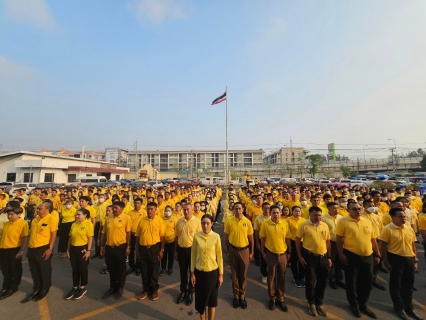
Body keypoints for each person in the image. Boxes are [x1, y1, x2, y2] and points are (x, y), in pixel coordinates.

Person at [336, 202, 381, 318]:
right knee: (352, 282)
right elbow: (339, 239)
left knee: (366, 281)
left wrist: (377, 254)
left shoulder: (367, 221)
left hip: (368, 256)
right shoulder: (343, 221)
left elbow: (373, 239)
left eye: (359, 209)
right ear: (348, 210)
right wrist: (340, 254)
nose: (358, 211)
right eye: (354, 209)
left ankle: (363, 304)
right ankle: (354, 304)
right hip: (351, 255)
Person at [379, 208, 422, 320]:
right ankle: (399, 307)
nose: (404, 218)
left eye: (404, 216)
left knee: (408, 285)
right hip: (395, 258)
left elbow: (413, 246)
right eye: (400, 216)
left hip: (409, 258)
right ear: (392, 217)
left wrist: (415, 260)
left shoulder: (409, 228)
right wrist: (386, 261)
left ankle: (409, 308)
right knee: (396, 284)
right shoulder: (387, 229)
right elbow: (383, 247)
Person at [295, 206, 332, 317]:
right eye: (316, 215)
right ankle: (311, 303)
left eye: (320, 215)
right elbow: (297, 240)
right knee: (310, 281)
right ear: (310, 214)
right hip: (309, 257)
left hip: (323, 257)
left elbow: (328, 241)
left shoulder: (324, 225)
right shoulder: (304, 225)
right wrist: (300, 256)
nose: (318, 217)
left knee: (323, 281)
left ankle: (319, 302)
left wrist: (329, 257)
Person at [21, 202, 58, 303]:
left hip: (43, 247)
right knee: (34, 270)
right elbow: (31, 234)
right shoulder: (35, 219)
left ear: (47, 209)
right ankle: (36, 288)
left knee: (44, 269)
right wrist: (28, 248)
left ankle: (45, 288)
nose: (37, 210)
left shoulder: (51, 219)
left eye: (40, 209)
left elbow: (53, 234)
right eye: (37, 209)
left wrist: (50, 248)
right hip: (32, 248)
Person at [190, 214, 223, 320]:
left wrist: (221, 274)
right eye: (203, 223)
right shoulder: (196, 236)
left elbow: (219, 256)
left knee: (212, 301)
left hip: (212, 273)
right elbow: (193, 255)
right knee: (201, 301)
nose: (205, 226)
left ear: (212, 224)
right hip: (199, 273)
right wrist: (192, 273)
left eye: (207, 223)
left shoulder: (216, 237)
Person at [259, 205, 290, 312]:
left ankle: (280, 298)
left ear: (280, 213)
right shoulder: (265, 224)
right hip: (271, 254)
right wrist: (263, 253)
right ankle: (272, 298)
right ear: (270, 213)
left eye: (277, 212)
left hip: (282, 254)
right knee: (271, 277)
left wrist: (289, 252)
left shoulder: (285, 224)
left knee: (282, 276)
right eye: (274, 213)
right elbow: (262, 239)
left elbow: (287, 239)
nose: (276, 214)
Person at [224, 202, 254, 309]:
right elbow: (226, 237)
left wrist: (251, 252)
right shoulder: (229, 221)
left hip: (244, 250)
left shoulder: (247, 222)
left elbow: (251, 239)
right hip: (233, 249)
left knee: (243, 274)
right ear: (233, 210)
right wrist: (227, 251)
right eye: (236, 208)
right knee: (235, 274)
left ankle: (242, 296)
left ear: (243, 209)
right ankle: (236, 296)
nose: (238, 210)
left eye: (240, 208)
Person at [100, 201, 131, 300]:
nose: (114, 210)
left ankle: (120, 288)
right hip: (109, 247)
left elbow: (128, 233)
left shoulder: (126, 218)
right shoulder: (108, 218)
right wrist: (102, 246)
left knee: (121, 269)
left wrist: (128, 246)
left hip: (120, 247)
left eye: (116, 208)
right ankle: (112, 287)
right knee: (111, 268)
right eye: (113, 208)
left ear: (122, 208)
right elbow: (105, 233)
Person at [135, 202, 165, 301]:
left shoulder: (160, 221)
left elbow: (162, 237)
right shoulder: (142, 221)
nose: (149, 211)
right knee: (144, 270)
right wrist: (137, 251)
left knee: (154, 269)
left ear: (155, 210)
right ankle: (145, 289)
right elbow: (137, 236)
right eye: (148, 209)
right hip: (143, 248)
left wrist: (161, 249)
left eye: (151, 209)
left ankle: (154, 290)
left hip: (155, 248)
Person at [174, 203, 202, 305]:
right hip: (181, 250)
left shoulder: (197, 221)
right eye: (184, 210)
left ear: (191, 210)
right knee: (182, 271)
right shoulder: (179, 221)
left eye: (188, 210)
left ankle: (190, 291)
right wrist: (175, 251)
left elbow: (200, 237)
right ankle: (183, 290)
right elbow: (176, 237)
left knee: (192, 272)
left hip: (192, 250)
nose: (186, 212)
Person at [64, 208, 94, 300]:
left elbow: (90, 238)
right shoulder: (73, 224)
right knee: (75, 269)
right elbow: (70, 238)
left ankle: (82, 287)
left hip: (83, 249)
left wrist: (88, 250)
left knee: (82, 268)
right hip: (73, 248)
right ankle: (75, 286)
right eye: (76, 215)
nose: (77, 216)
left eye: (79, 215)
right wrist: (68, 249)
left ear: (85, 215)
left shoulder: (88, 224)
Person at [0, 207, 28, 300]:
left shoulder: (23, 223)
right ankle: (6, 286)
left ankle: (13, 287)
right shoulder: (7, 223)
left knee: (14, 269)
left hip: (14, 249)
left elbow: (24, 238)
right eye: (9, 214)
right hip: (3, 248)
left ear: (19, 214)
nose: (10, 216)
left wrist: (21, 250)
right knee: (5, 269)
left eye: (12, 214)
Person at [321, 202, 345, 289]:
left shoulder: (341, 218)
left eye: (337, 208)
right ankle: (332, 279)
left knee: (339, 261)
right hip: (330, 242)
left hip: (341, 243)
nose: (336, 210)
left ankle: (339, 279)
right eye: (334, 208)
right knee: (331, 261)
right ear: (329, 209)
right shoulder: (323, 218)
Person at [287, 206, 306, 287]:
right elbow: (287, 234)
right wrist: (289, 246)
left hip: (303, 242)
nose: (298, 212)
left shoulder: (304, 220)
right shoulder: (288, 220)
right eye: (296, 211)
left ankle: (302, 277)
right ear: (292, 212)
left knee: (302, 260)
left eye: (299, 211)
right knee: (294, 261)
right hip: (293, 242)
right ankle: (296, 277)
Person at [253, 202, 271, 284]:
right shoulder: (258, 218)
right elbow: (256, 232)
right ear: (262, 208)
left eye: (268, 207)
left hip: (272, 241)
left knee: (272, 259)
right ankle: (264, 274)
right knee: (264, 258)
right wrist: (257, 243)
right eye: (265, 208)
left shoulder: (273, 216)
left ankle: (271, 275)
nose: (267, 209)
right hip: (262, 240)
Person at [160, 205, 177, 276]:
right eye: (166, 211)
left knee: (171, 256)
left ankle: (170, 268)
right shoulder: (161, 219)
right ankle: (163, 268)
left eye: (169, 211)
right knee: (163, 256)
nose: (167, 212)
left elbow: (176, 231)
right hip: (162, 241)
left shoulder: (174, 219)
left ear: (171, 212)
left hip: (171, 241)